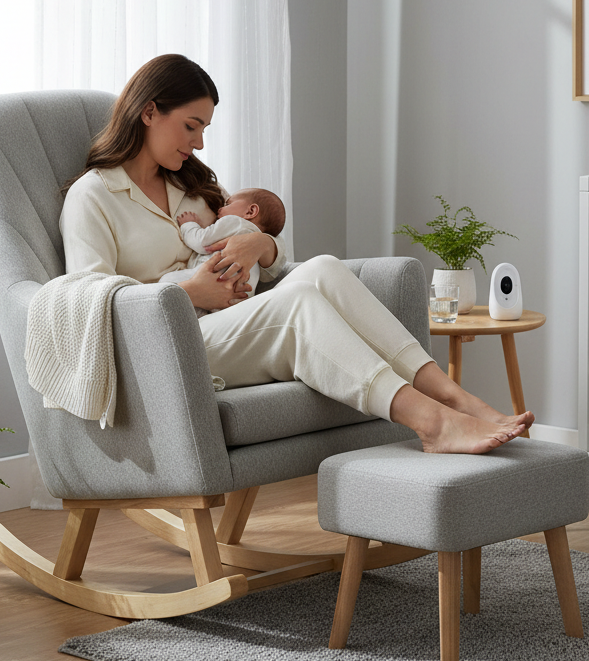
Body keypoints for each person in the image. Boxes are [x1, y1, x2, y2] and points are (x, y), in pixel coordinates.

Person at [60, 53, 533, 454]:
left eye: (203, 128)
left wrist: (261, 244)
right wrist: (190, 291)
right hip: (168, 346)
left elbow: (273, 271)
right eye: (191, 125)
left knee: (323, 267)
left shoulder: (189, 187)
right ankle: (432, 423)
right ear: (149, 113)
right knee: (300, 305)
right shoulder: (93, 196)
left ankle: (456, 399)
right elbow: (87, 303)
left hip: (230, 324)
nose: (199, 142)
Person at [157, 188, 286, 310]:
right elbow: (272, 271)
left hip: (214, 282)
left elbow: (202, 242)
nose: (220, 208)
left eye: (227, 203)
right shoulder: (252, 238)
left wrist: (188, 225)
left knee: (166, 283)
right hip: (240, 300)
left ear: (250, 212)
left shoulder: (235, 222)